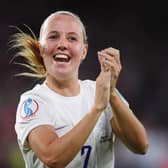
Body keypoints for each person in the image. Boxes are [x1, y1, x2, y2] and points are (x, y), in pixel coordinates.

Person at [13, 10, 148, 168]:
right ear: (41, 49)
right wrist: (97, 109)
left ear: (84, 51)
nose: (62, 44)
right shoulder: (33, 102)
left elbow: (141, 146)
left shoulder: (100, 91)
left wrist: (111, 93)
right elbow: (53, 158)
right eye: (53, 36)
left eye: (72, 38)